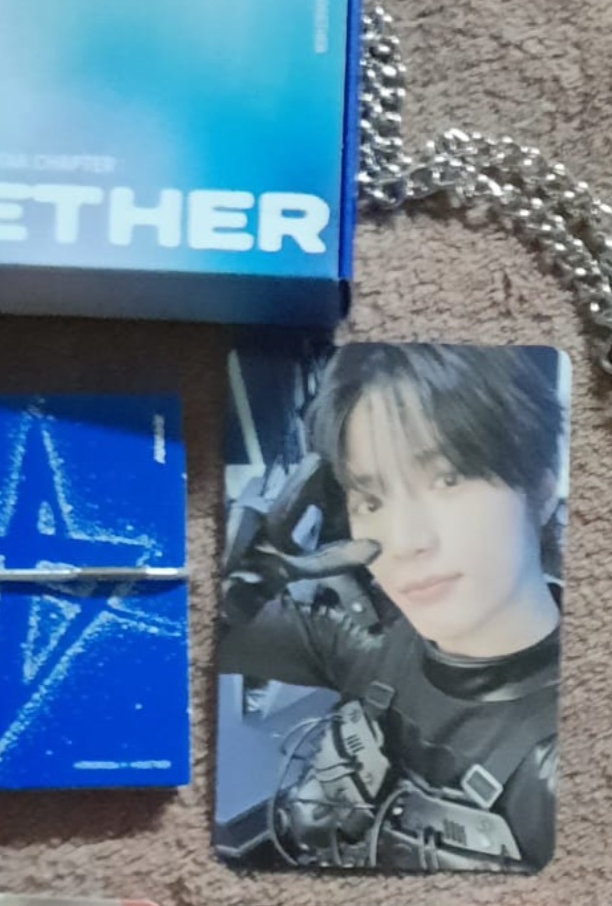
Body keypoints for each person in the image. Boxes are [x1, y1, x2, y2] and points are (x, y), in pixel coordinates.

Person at [219, 342, 566, 873]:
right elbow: (170, 639)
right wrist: (218, 588)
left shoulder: (564, 760)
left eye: (448, 479)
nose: (405, 542)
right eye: (372, 501)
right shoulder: (371, 644)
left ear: (539, 489)